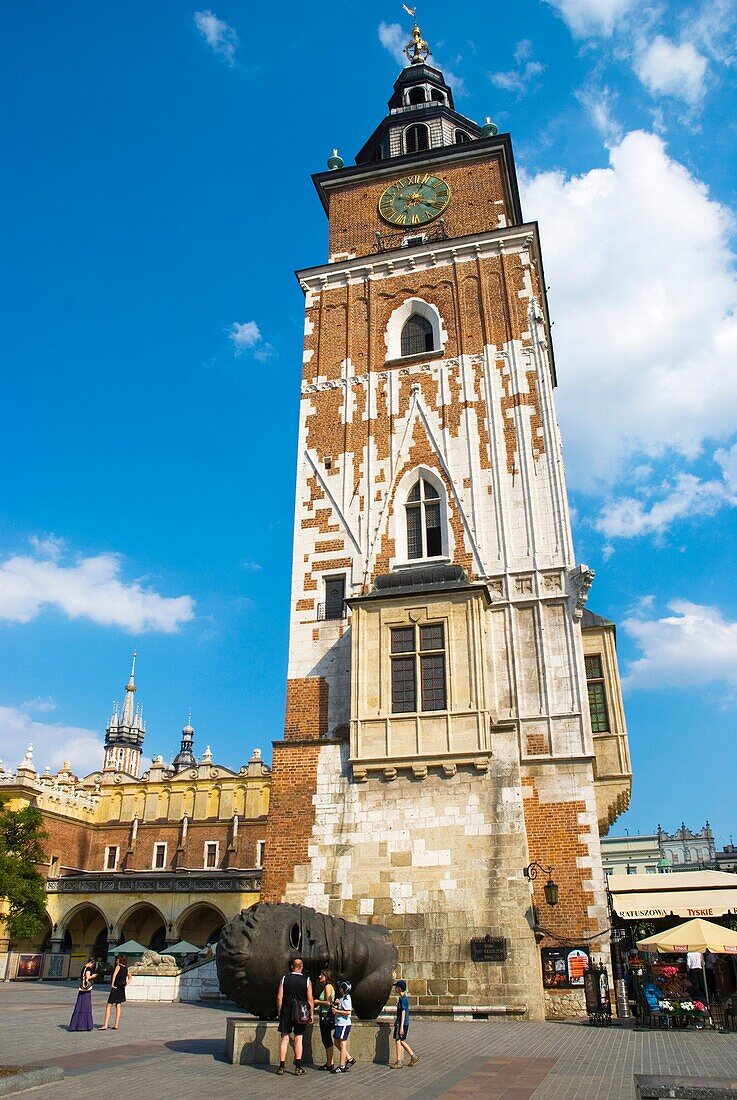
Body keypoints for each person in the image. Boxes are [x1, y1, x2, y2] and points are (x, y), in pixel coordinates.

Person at [276, 958, 314, 1076]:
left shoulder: (284, 978)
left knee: (285, 1038)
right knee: (299, 1038)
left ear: (292, 967)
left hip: (286, 1010)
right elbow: (310, 1000)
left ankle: (281, 1066)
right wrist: (311, 1014)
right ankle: (298, 1067)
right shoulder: (307, 980)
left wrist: (279, 1011)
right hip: (301, 1011)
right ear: (301, 967)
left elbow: (279, 998)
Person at [390, 979, 418, 1068]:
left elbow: (403, 1012)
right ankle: (413, 1056)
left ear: (399, 988)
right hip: (402, 1022)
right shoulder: (403, 998)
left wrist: (401, 1026)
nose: (394, 989)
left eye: (396, 987)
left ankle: (399, 1062)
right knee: (401, 1041)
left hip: (401, 1023)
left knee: (398, 1041)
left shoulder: (403, 999)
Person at [101, 954, 130, 1030]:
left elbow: (114, 975)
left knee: (109, 1005)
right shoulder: (126, 968)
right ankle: (116, 1024)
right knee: (118, 1005)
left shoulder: (118, 967)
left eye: (117, 959)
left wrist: (112, 984)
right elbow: (130, 977)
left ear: (120, 960)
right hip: (121, 988)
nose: (116, 960)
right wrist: (126, 984)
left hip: (116, 987)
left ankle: (106, 1025)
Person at [69, 957, 97, 1031]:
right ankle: (84, 1024)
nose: (93, 966)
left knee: (80, 1004)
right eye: (93, 964)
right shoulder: (88, 969)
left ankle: (76, 1024)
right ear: (91, 963)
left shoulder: (83, 968)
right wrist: (93, 976)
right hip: (86, 989)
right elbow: (88, 978)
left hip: (82, 988)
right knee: (86, 1005)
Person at [331, 980, 353, 1074]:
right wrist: (338, 1003)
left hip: (344, 1024)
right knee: (336, 1042)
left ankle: (342, 1065)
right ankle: (350, 1059)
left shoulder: (347, 999)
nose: (339, 988)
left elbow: (348, 1012)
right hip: (339, 1023)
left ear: (343, 990)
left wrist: (337, 1011)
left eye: (340, 987)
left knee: (342, 1044)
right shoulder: (343, 998)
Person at [316, 969, 336, 1070]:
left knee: (326, 1039)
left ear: (327, 976)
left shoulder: (328, 987)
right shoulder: (328, 987)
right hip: (325, 1015)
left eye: (322, 974)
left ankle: (329, 1063)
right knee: (326, 1039)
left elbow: (329, 1002)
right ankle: (329, 1062)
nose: (320, 976)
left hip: (325, 1016)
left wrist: (317, 1001)